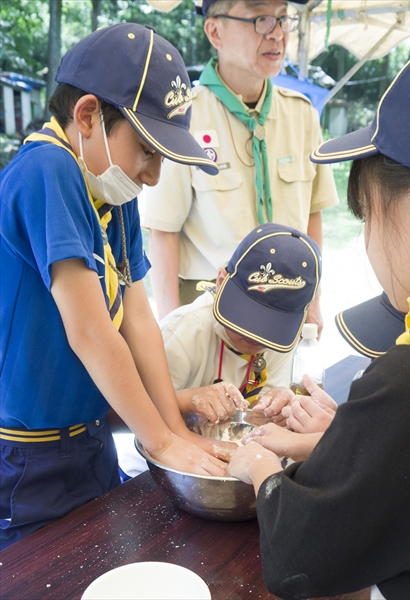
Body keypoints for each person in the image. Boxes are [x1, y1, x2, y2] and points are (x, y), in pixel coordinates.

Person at [227, 37, 410, 600]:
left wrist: (257, 465)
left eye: (369, 214)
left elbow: (299, 557)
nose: (371, 239)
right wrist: (350, 440)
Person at [0, 23, 234, 550]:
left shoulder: (115, 194)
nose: (152, 175)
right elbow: (91, 332)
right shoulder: (48, 171)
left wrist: (174, 432)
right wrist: (161, 443)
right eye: (147, 151)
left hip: (92, 442)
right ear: (87, 117)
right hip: (25, 460)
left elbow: (138, 319)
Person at [139, 0, 339, 333]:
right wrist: (172, 327)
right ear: (214, 30)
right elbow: (163, 231)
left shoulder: (301, 115)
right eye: (260, 19)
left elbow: (313, 213)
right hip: (209, 311)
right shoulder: (182, 116)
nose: (277, 34)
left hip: (285, 306)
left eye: (283, 19)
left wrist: (312, 299)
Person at [116, 222, 335, 479]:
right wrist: (186, 399)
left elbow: (264, 412)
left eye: (271, 327)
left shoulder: (282, 340)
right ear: (221, 282)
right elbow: (130, 412)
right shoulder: (185, 333)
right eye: (246, 318)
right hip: (152, 472)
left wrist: (279, 400)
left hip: (236, 468)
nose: (256, 335)